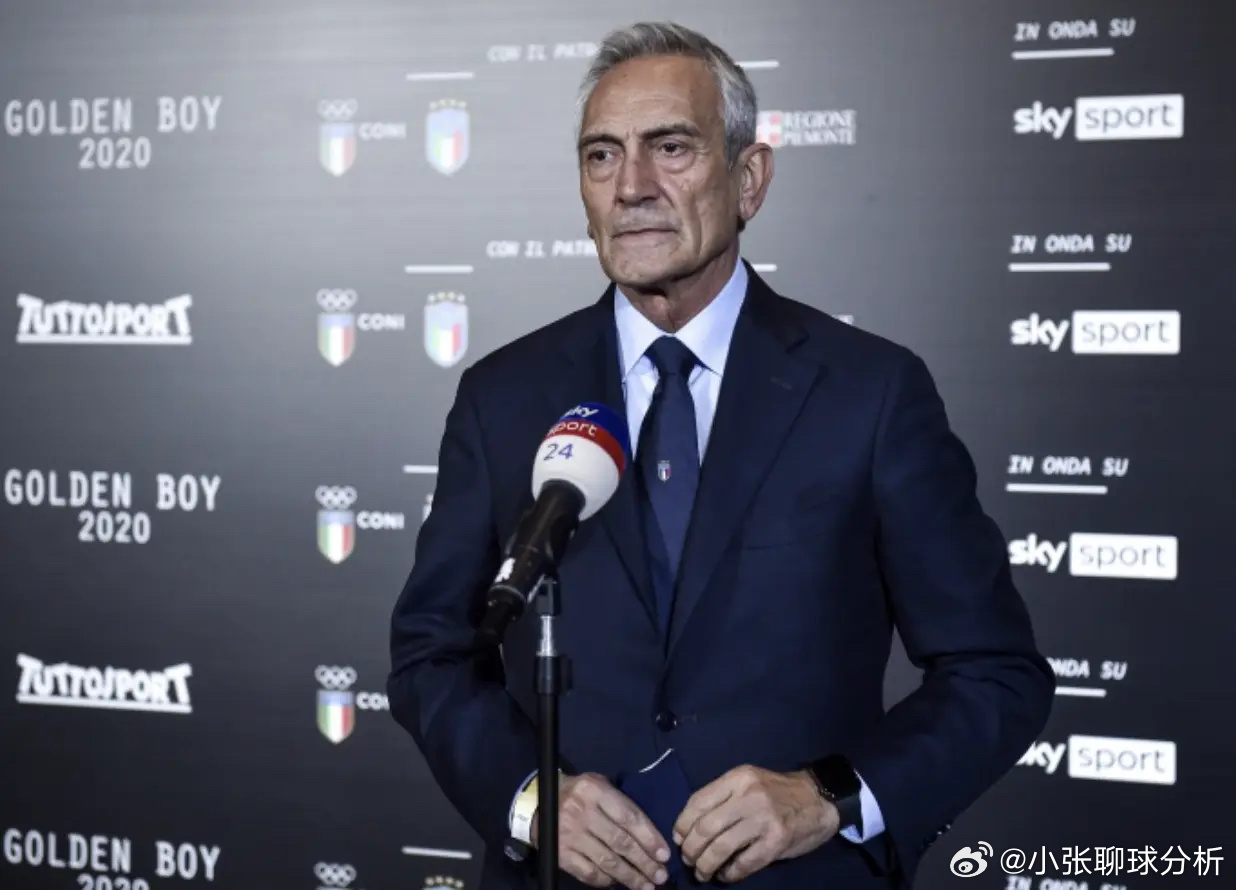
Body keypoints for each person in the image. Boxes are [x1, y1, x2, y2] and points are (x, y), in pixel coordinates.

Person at [388, 20, 1054, 890]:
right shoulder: (502, 396)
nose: (632, 186)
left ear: (749, 179)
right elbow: (433, 654)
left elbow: (995, 673)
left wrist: (831, 795)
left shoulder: (872, 394)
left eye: (671, 148)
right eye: (601, 156)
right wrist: (529, 798)